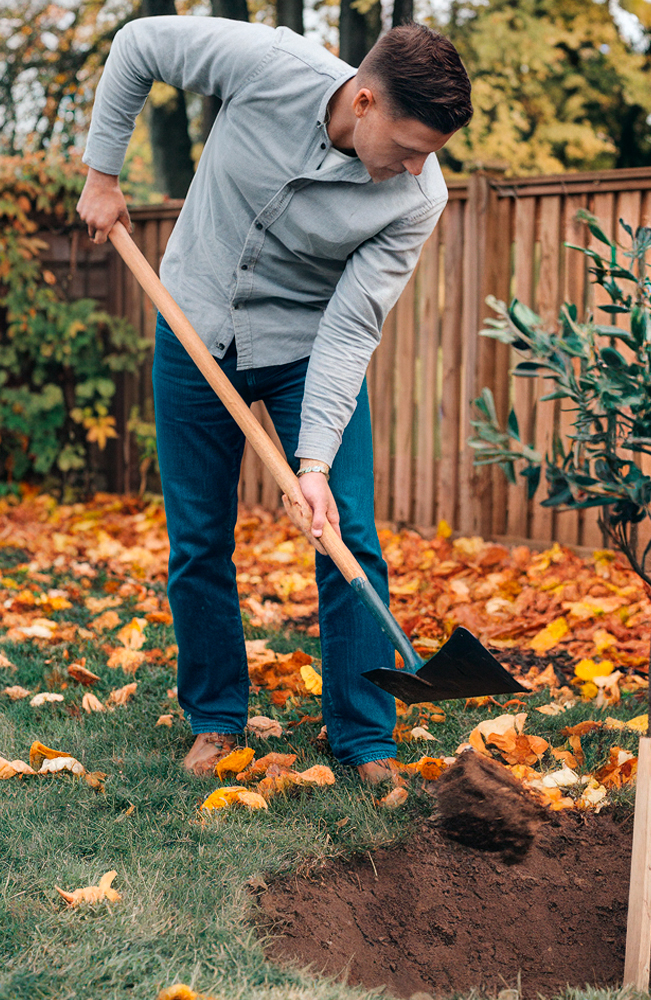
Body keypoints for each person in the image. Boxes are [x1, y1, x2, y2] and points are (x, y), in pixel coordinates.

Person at [76, 15, 472, 782]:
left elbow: (353, 325)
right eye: (409, 145)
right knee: (198, 536)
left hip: (302, 352)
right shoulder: (268, 64)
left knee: (345, 529)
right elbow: (137, 47)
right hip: (195, 318)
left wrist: (314, 460)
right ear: (363, 101)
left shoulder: (416, 197)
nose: (417, 165)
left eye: (431, 152)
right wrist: (103, 174)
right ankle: (217, 719)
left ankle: (364, 739)